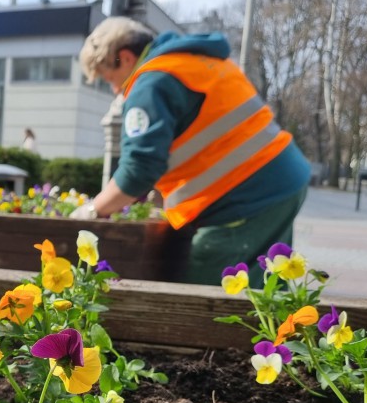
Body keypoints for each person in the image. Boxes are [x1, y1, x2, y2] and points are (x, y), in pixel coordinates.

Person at [75, 16, 310, 287]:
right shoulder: (193, 62)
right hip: (278, 183)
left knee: (207, 293)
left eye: (109, 78)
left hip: (245, 198)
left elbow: (139, 169)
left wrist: (94, 210)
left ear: (126, 58)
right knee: (266, 284)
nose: (116, 90)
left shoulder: (150, 84)